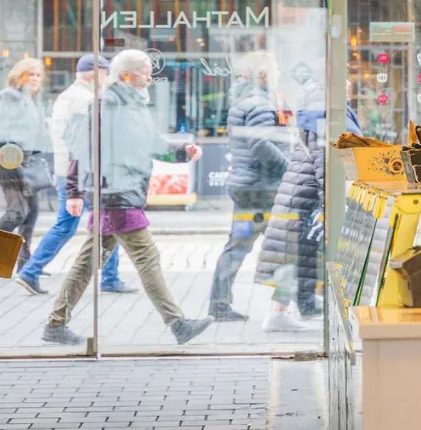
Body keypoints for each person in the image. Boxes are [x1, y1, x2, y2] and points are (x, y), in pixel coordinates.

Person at [43, 50, 212, 346]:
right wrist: (73, 190)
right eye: (145, 72)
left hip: (119, 193)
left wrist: (183, 150)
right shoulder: (108, 105)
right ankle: (178, 323)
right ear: (126, 75)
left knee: (86, 262)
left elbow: (151, 143)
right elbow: (82, 149)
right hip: (116, 195)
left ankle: (56, 324)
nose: (150, 77)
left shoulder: (129, 105)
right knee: (147, 258)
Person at [14, 55, 130, 296]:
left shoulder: (71, 95)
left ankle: (33, 271)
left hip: (70, 172)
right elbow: (83, 142)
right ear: (94, 72)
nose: (107, 77)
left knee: (88, 223)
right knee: (102, 220)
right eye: (105, 72)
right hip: (79, 174)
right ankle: (31, 271)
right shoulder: (83, 99)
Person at [254, 81, 361, 331]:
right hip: (306, 197)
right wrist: (333, 200)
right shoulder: (323, 120)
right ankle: (279, 314)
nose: (347, 91)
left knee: (300, 254)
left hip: (300, 194)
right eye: (342, 86)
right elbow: (325, 163)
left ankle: (295, 308)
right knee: (296, 255)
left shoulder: (314, 117)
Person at [208, 51, 290, 321]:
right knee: (287, 245)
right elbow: (259, 144)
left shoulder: (245, 100)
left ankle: (221, 304)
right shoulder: (259, 103)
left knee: (242, 245)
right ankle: (288, 307)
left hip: (250, 186)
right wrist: (287, 166)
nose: (278, 73)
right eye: (275, 68)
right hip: (261, 188)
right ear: (264, 73)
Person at [0, 58, 53, 271]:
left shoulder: (31, 100)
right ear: (19, 76)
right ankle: (5, 260)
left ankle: (23, 264)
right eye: (30, 74)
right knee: (17, 212)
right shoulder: (9, 97)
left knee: (31, 212)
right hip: (11, 161)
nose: (35, 79)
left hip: (29, 161)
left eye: (38, 75)